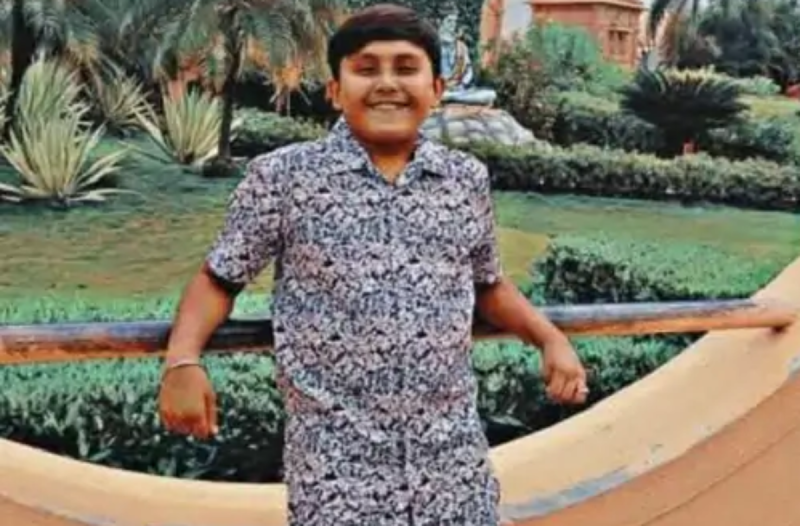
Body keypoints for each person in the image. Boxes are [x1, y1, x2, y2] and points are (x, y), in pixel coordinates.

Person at [158, 4, 589, 525]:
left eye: (406, 68)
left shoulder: (464, 179)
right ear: (335, 90)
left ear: (436, 88)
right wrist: (182, 362)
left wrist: (549, 339)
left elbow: (488, 284)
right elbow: (219, 278)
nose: (387, 83)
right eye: (366, 69)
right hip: (339, 479)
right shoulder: (285, 179)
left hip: (453, 471)